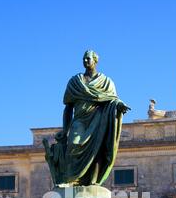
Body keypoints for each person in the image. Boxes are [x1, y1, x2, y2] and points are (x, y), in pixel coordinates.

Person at [44, 50, 130, 186]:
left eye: (88, 58)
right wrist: (65, 130)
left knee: (97, 150)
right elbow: (68, 108)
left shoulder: (106, 82)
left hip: (98, 120)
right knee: (73, 145)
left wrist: (119, 105)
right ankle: (71, 179)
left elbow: (113, 100)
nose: (85, 61)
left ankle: (92, 181)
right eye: (84, 58)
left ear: (95, 61)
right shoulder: (75, 82)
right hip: (79, 120)